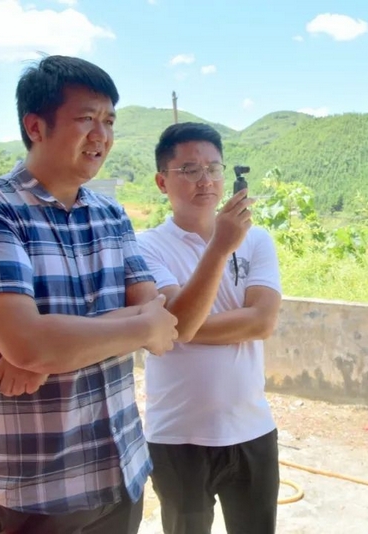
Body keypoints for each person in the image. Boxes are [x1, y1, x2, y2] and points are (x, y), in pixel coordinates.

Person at [0, 55, 178, 534]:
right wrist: (37, 346)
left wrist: (53, 346)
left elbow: (155, 316)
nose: (101, 135)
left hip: (123, 467)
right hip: (42, 486)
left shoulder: (110, 214)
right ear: (36, 126)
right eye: (86, 118)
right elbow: (33, 343)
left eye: (109, 121)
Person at [135, 122, 283, 534]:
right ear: (162, 181)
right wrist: (220, 247)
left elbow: (262, 321)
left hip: (252, 428)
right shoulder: (145, 247)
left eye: (213, 168)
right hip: (177, 435)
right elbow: (180, 324)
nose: (206, 180)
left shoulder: (257, 240)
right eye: (190, 169)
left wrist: (179, 325)